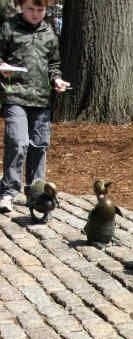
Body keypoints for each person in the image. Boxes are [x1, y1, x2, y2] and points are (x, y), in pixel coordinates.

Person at [0, 0, 70, 213]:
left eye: (40, 10)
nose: (35, 14)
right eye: (31, 9)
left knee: (39, 145)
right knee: (18, 142)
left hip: (41, 100)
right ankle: (8, 191)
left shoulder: (49, 33)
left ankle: (36, 191)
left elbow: (54, 65)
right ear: (21, 6)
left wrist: (56, 80)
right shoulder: (8, 28)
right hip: (15, 96)